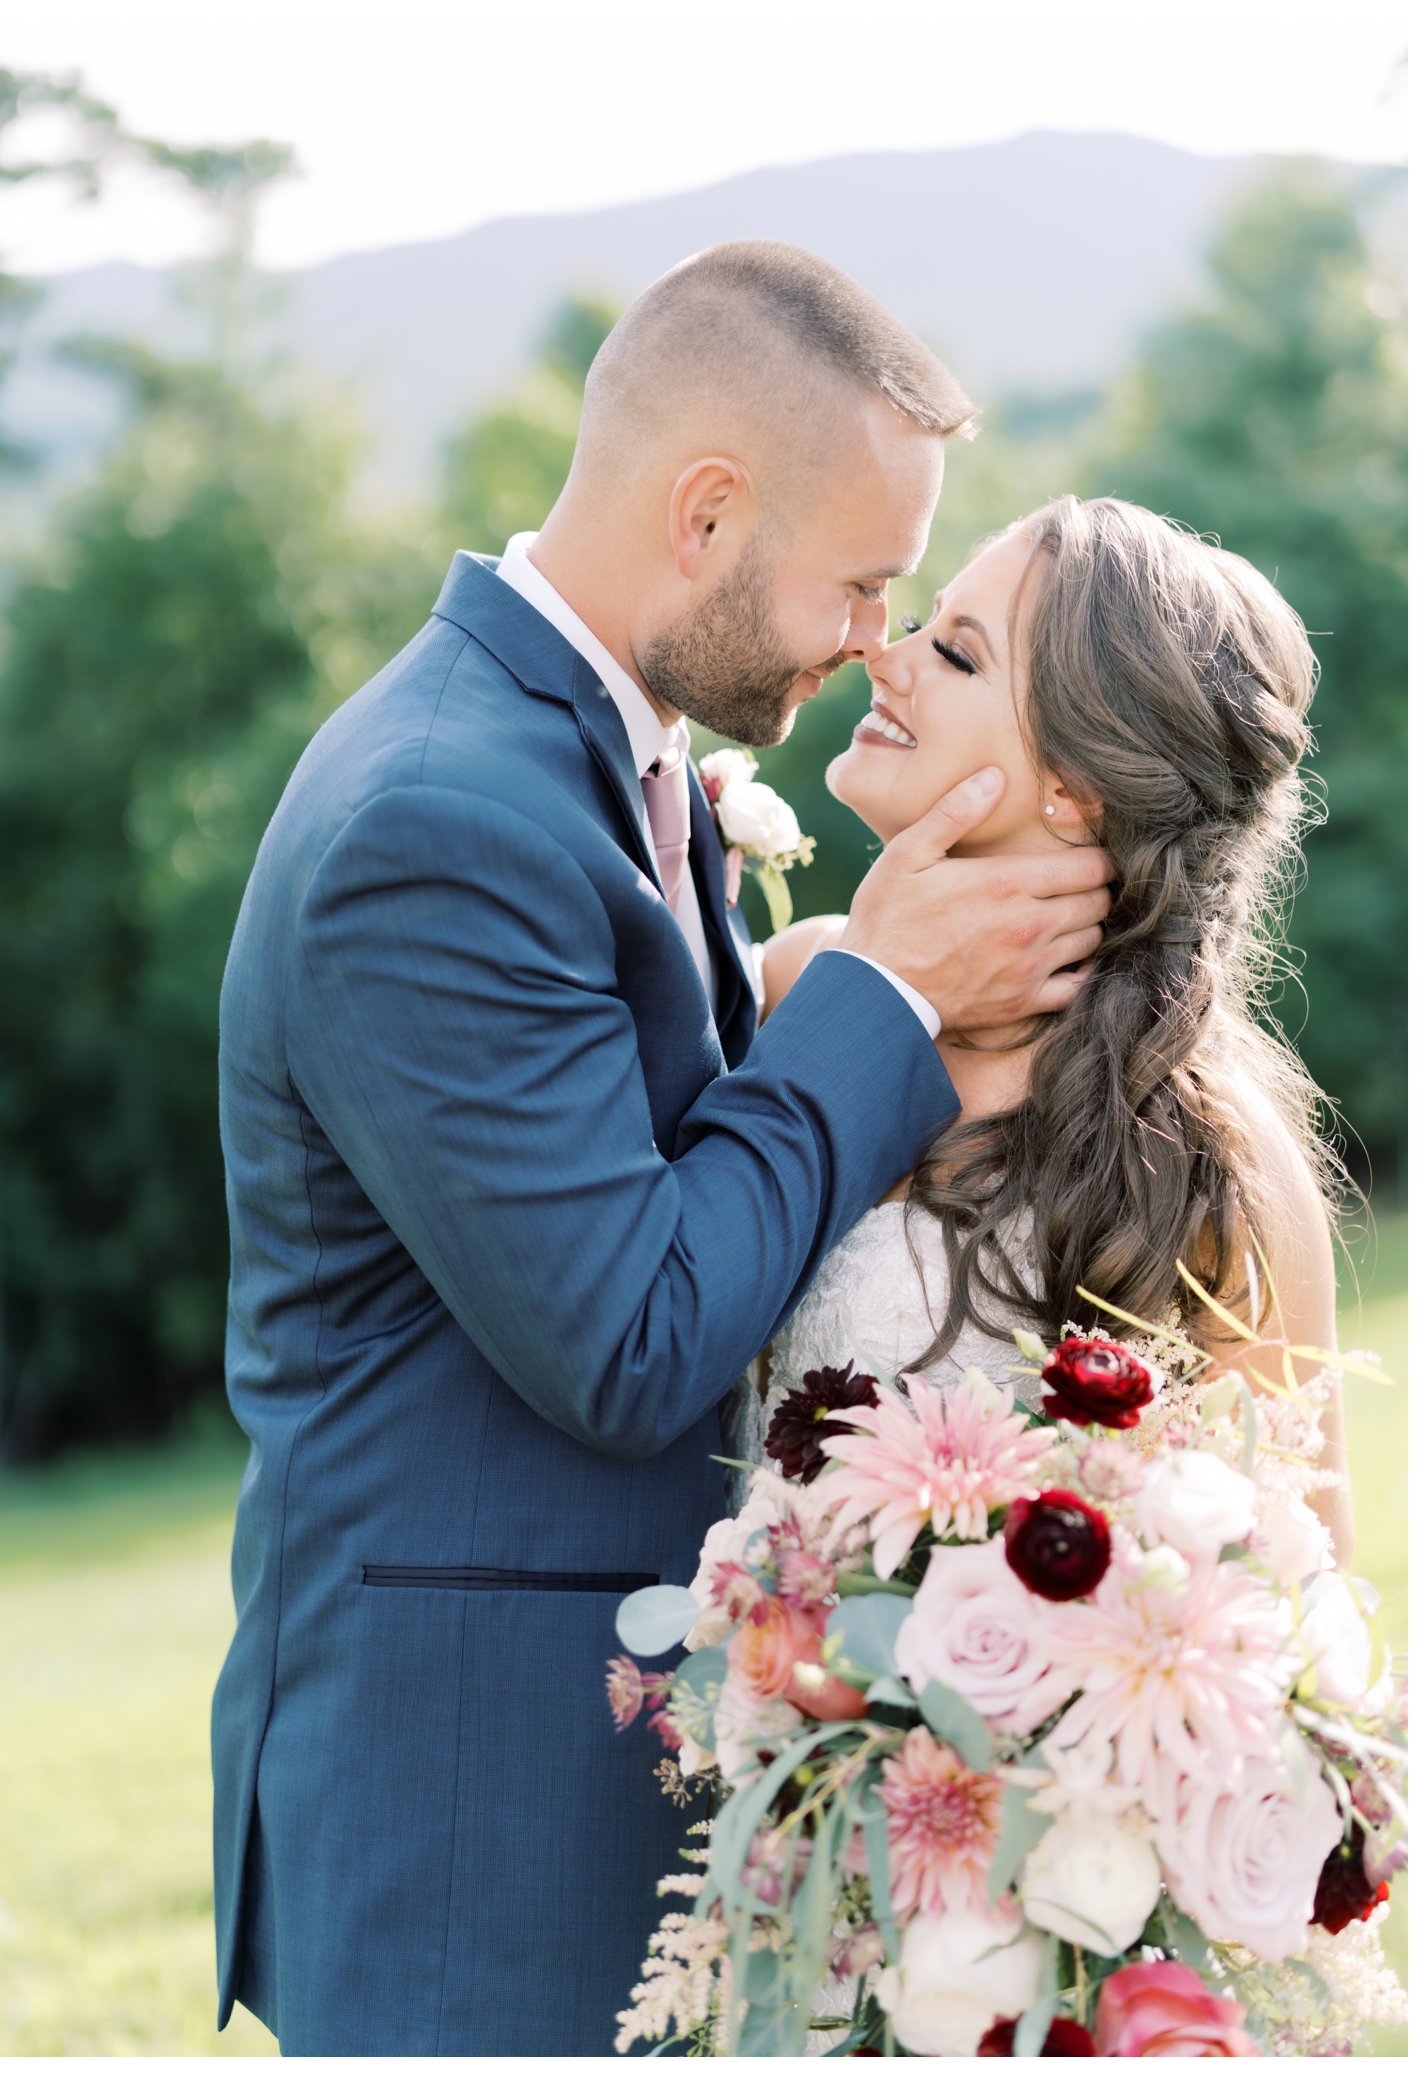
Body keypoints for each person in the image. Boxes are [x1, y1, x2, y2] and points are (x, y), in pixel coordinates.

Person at [210, 243, 1113, 2055]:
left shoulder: (604, 758)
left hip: (636, 1789)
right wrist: (885, 990)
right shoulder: (438, 820)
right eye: (861, 580)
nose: (876, 636)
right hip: (475, 1830)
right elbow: (625, 1334)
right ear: (706, 513)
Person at [754, 494, 1352, 1563]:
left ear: (1075, 787)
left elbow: (1298, 1583)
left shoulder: (1204, 1148)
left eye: (957, 654)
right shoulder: (793, 988)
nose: (885, 660)